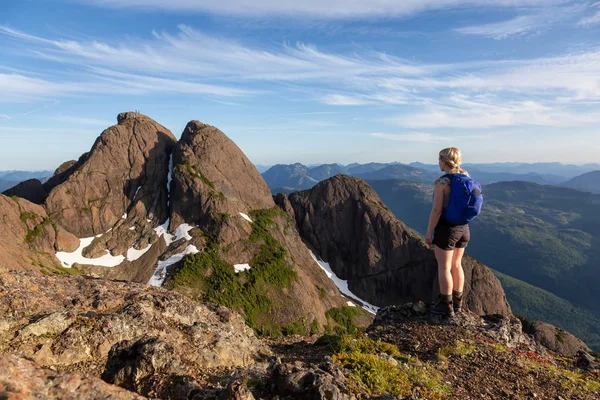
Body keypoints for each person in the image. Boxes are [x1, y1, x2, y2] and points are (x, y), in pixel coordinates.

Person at [425, 147, 471, 317]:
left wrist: (429, 232)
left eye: (439, 159)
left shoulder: (441, 183)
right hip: (464, 228)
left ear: (445, 161)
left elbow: (436, 210)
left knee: (444, 267)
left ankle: (446, 305)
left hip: (447, 229)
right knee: (457, 265)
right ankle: (458, 303)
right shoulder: (466, 177)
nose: (438, 162)